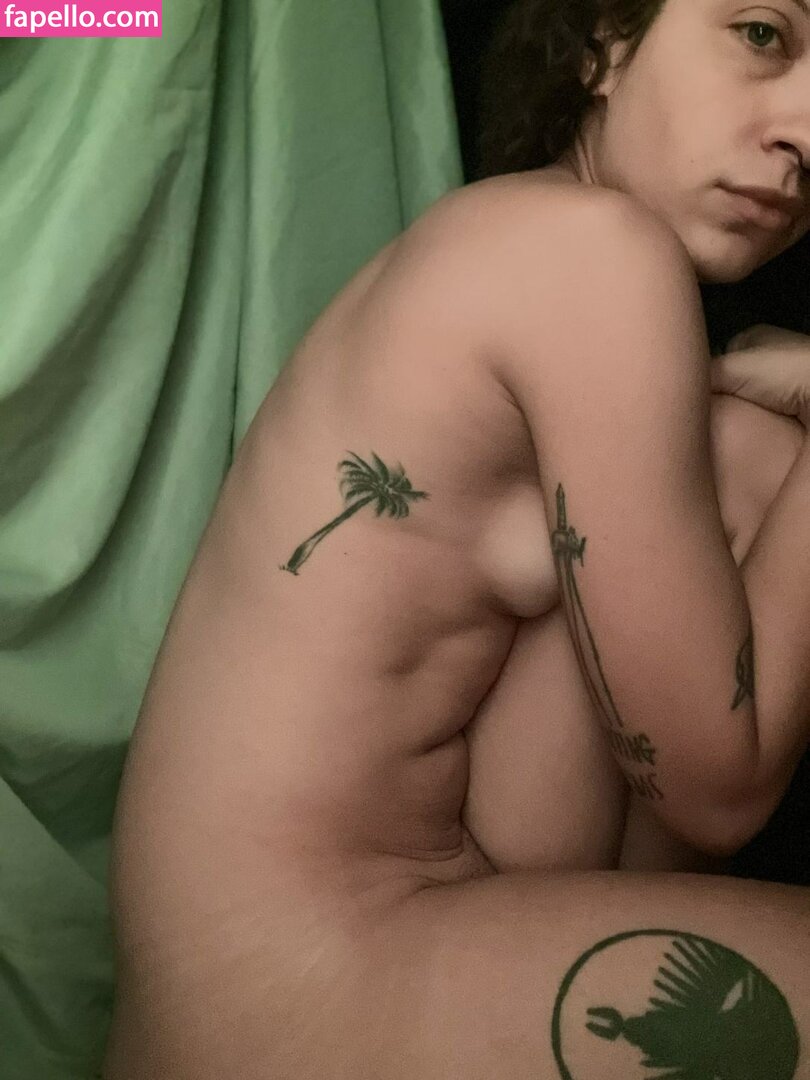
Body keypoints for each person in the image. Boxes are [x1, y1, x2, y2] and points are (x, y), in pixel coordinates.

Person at [103, 0, 810, 1076]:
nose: (806, 130)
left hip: (288, 963)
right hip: (297, 980)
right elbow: (721, 789)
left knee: (744, 454)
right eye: (764, 34)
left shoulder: (507, 240)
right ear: (605, 41)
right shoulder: (586, 254)